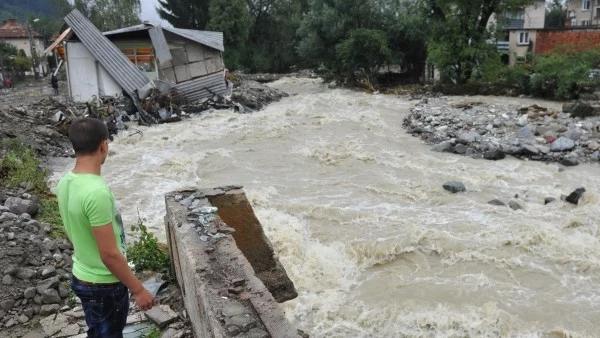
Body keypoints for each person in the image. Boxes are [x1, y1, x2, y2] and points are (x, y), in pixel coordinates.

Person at [56, 118, 154, 338]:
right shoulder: (96, 193)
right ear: (104, 145)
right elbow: (109, 254)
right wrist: (138, 290)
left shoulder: (65, 182)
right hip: (103, 285)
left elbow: (73, 231)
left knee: (98, 332)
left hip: (82, 275)